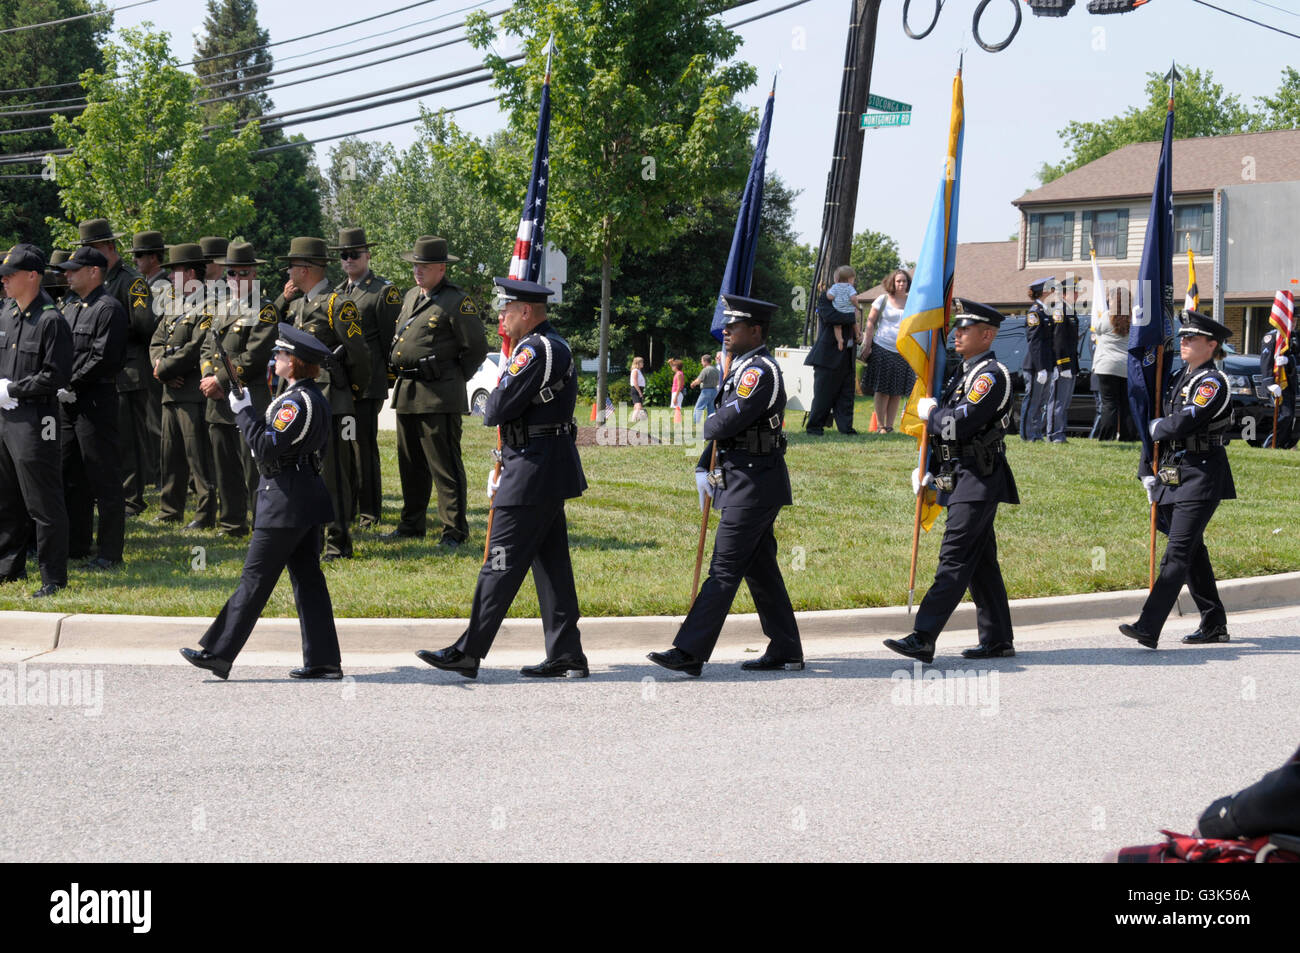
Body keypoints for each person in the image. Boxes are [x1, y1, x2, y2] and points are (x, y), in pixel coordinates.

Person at [415, 277, 587, 679]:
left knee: (499, 560)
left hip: (531, 469)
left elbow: (493, 409)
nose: (500, 317)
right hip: (538, 463)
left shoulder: (536, 349)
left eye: (507, 310)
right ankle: (566, 654)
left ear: (526, 312)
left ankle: (468, 651)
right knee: (551, 566)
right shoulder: (549, 345)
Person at [648, 294, 802, 677]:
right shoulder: (740, 367)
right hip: (744, 477)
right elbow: (721, 432)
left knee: (724, 568)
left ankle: (690, 651)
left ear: (755, 330)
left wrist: (711, 425)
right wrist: (705, 466)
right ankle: (786, 649)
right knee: (760, 569)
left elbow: (720, 424)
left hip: (754, 481)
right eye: (726, 325)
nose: (726, 331)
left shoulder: (759, 370)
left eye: (734, 326)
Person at [180, 324, 343, 681]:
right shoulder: (311, 398)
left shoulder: (296, 403)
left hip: (285, 503)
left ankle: (218, 653)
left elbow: (266, 447)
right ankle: (323, 660)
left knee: (254, 578)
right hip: (302, 499)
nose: (277, 358)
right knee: (308, 582)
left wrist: (243, 411)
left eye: (282, 354)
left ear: (296, 362)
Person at [884, 299, 1018, 664]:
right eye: (956, 327)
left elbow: (959, 424)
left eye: (965, 328)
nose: (956, 334)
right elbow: (945, 431)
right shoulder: (963, 373)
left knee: (955, 557)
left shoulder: (991, 375)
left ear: (987, 335)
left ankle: (924, 636)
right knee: (980, 562)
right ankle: (997, 639)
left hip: (979, 477)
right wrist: (926, 466)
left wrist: (932, 414)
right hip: (958, 475)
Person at [1120, 311, 1235, 649]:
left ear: (1211, 345)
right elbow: (1154, 429)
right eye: (1182, 337)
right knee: (1192, 552)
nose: (1183, 342)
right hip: (1172, 473)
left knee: (1178, 552)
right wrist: (1146, 471)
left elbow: (1185, 420)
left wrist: (1157, 427)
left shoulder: (1212, 382)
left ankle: (1148, 625)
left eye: (1192, 338)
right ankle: (1214, 622)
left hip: (1201, 475)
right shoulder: (1175, 378)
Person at [384, 235, 487, 548]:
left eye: (424, 266)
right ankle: (411, 523)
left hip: (439, 393)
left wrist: (452, 378)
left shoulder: (457, 301)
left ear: (441, 268)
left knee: (444, 465)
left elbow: (477, 348)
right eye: (415, 264)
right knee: (410, 464)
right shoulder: (411, 296)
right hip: (408, 390)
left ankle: (453, 530)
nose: (418, 270)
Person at [274, 236, 371, 560]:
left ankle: (338, 541)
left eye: (292, 265)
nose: (288, 271)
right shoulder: (299, 305)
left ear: (306, 269)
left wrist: (350, 394)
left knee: (335, 475)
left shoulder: (337, 304)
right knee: (309, 471)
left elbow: (358, 354)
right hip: (306, 403)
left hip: (333, 402)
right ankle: (313, 536)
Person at [0, 244, 73, 597]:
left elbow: (55, 376)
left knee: (42, 502)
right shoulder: (7, 314)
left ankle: (53, 576)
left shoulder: (51, 320)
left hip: (34, 418)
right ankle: (8, 568)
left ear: (32, 275)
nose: (5, 280)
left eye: (10, 274)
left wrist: (14, 389)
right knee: (6, 497)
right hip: (5, 419)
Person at [75, 220, 155, 515]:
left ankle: (132, 497)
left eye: (92, 248)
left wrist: (113, 333)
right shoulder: (100, 280)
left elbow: (145, 324)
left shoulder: (131, 281)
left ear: (109, 247)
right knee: (108, 436)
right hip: (106, 369)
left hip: (128, 368)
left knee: (127, 437)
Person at [55, 247, 129, 569]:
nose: (67, 275)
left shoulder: (108, 308)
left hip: (95, 401)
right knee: (70, 474)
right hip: (68, 403)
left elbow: (104, 358)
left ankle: (110, 553)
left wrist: (71, 384)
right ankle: (77, 544)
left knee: (104, 478)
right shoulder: (71, 308)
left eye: (75, 270)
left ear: (94, 272)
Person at [199, 242, 278, 537]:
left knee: (252, 466)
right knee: (225, 465)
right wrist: (208, 377)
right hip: (217, 401)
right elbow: (207, 348)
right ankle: (232, 522)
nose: (236, 278)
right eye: (231, 272)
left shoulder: (265, 309)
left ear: (254, 273)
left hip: (248, 398)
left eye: (243, 273)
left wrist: (219, 381)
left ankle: (261, 523)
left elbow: (254, 357)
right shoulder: (219, 307)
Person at [330, 227, 401, 529]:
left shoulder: (383, 291)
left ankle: (370, 512)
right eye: (344, 255)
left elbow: (390, 341)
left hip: (367, 384)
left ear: (368, 255)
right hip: (341, 383)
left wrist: (384, 379)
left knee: (363, 447)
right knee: (343, 448)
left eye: (354, 254)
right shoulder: (338, 292)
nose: (348, 260)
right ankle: (349, 506)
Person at [149, 243, 217, 529]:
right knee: (170, 453)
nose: (171, 277)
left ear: (190, 272)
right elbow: (155, 341)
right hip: (170, 390)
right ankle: (170, 509)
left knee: (197, 456)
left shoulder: (210, 304)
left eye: (175, 271)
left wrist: (164, 368)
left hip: (191, 391)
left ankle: (205, 514)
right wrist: (161, 369)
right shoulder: (174, 304)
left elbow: (196, 347)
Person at [805, 265, 861, 436]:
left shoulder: (851, 296)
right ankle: (814, 427)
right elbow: (831, 317)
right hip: (828, 356)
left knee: (846, 394)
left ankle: (846, 428)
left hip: (847, 355)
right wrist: (853, 316)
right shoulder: (825, 298)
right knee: (823, 395)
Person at [859, 268, 915, 434]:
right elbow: (870, 323)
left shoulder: (912, 301)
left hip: (903, 351)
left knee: (896, 391)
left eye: (904, 281)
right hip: (882, 348)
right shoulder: (882, 300)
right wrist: (867, 345)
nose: (901, 284)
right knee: (882, 390)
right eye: (898, 281)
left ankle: (890, 427)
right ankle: (881, 425)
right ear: (892, 282)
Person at [1091, 284, 1135, 441]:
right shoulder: (1134, 319)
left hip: (1107, 365)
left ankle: (1106, 437)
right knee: (1125, 404)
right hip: (1126, 366)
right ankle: (1127, 436)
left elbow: (1096, 329)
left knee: (1109, 404)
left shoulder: (1107, 317)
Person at [1045, 275, 1080, 443]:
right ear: (1064, 294)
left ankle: (1060, 433)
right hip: (1061, 365)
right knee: (1057, 402)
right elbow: (1058, 340)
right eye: (1074, 292)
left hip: (1071, 364)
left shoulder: (1070, 310)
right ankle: (1053, 434)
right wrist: (1062, 365)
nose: (1077, 295)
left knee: (1064, 402)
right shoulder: (1060, 310)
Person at [1020, 276, 1054, 442]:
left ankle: (1037, 433)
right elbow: (1034, 341)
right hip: (1035, 365)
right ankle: (1027, 435)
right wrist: (1040, 367)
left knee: (1041, 402)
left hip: (1045, 364)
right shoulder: (1034, 312)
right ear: (1042, 290)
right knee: (1032, 400)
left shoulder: (1044, 309)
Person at [1260, 322, 1297, 450]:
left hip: (1291, 383)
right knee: (1285, 414)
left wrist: (1290, 360)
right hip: (1277, 383)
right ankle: (1270, 444)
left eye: (1295, 321)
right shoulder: (1272, 338)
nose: (1293, 324)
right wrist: (1269, 383)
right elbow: (1266, 361)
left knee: (1292, 416)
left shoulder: (1294, 337)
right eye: (1291, 321)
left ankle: (1285, 444)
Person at [691, 352, 719, 424]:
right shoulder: (716, 370)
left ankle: (696, 422)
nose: (701, 363)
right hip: (714, 391)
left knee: (699, 407)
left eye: (702, 361)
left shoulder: (706, 370)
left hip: (706, 391)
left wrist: (693, 384)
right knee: (711, 409)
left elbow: (699, 380)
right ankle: (710, 423)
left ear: (705, 361)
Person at [628, 356, 647, 424]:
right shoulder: (635, 371)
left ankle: (635, 419)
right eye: (641, 362)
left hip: (639, 389)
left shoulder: (639, 371)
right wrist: (639, 392)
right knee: (638, 406)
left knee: (637, 406)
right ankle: (633, 420)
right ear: (637, 363)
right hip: (636, 389)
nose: (643, 363)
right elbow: (635, 382)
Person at [669, 358, 686, 424]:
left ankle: (677, 421)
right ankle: (677, 420)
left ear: (676, 367)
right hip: (676, 393)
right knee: (676, 407)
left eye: (673, 365)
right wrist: (671, 363)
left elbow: (679, 386)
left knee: (677, 407)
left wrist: (676, 397)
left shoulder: (678, 374)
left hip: (677, 393)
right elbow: (673, 368)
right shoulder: (678, 372)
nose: (672, 367)